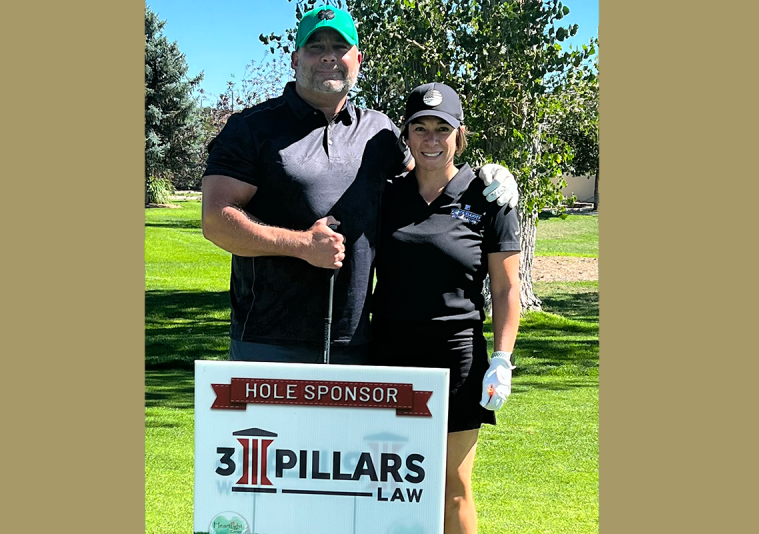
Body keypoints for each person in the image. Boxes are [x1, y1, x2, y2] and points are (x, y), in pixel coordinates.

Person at [201, 6, 518, 364]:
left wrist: (487, 176)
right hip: (268, 340)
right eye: (315, 46)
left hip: (356, 342)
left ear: (358, 59)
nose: (328, 56)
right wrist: (302, 245)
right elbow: (215, 220)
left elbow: (431, 176)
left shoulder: (379, 132)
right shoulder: (251, 128)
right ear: (294, 59)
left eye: (340, 47)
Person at [370, 82, 522, 534]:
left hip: (456, 356)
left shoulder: (488, 196)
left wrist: (502, 359)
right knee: (389, 481)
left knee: (453, 483)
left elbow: (506, 287)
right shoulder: (386, 194)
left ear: (459, 135)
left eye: (443, 128)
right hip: (390, 355)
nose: (431, 139)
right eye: (420, 128)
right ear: (407, 135)